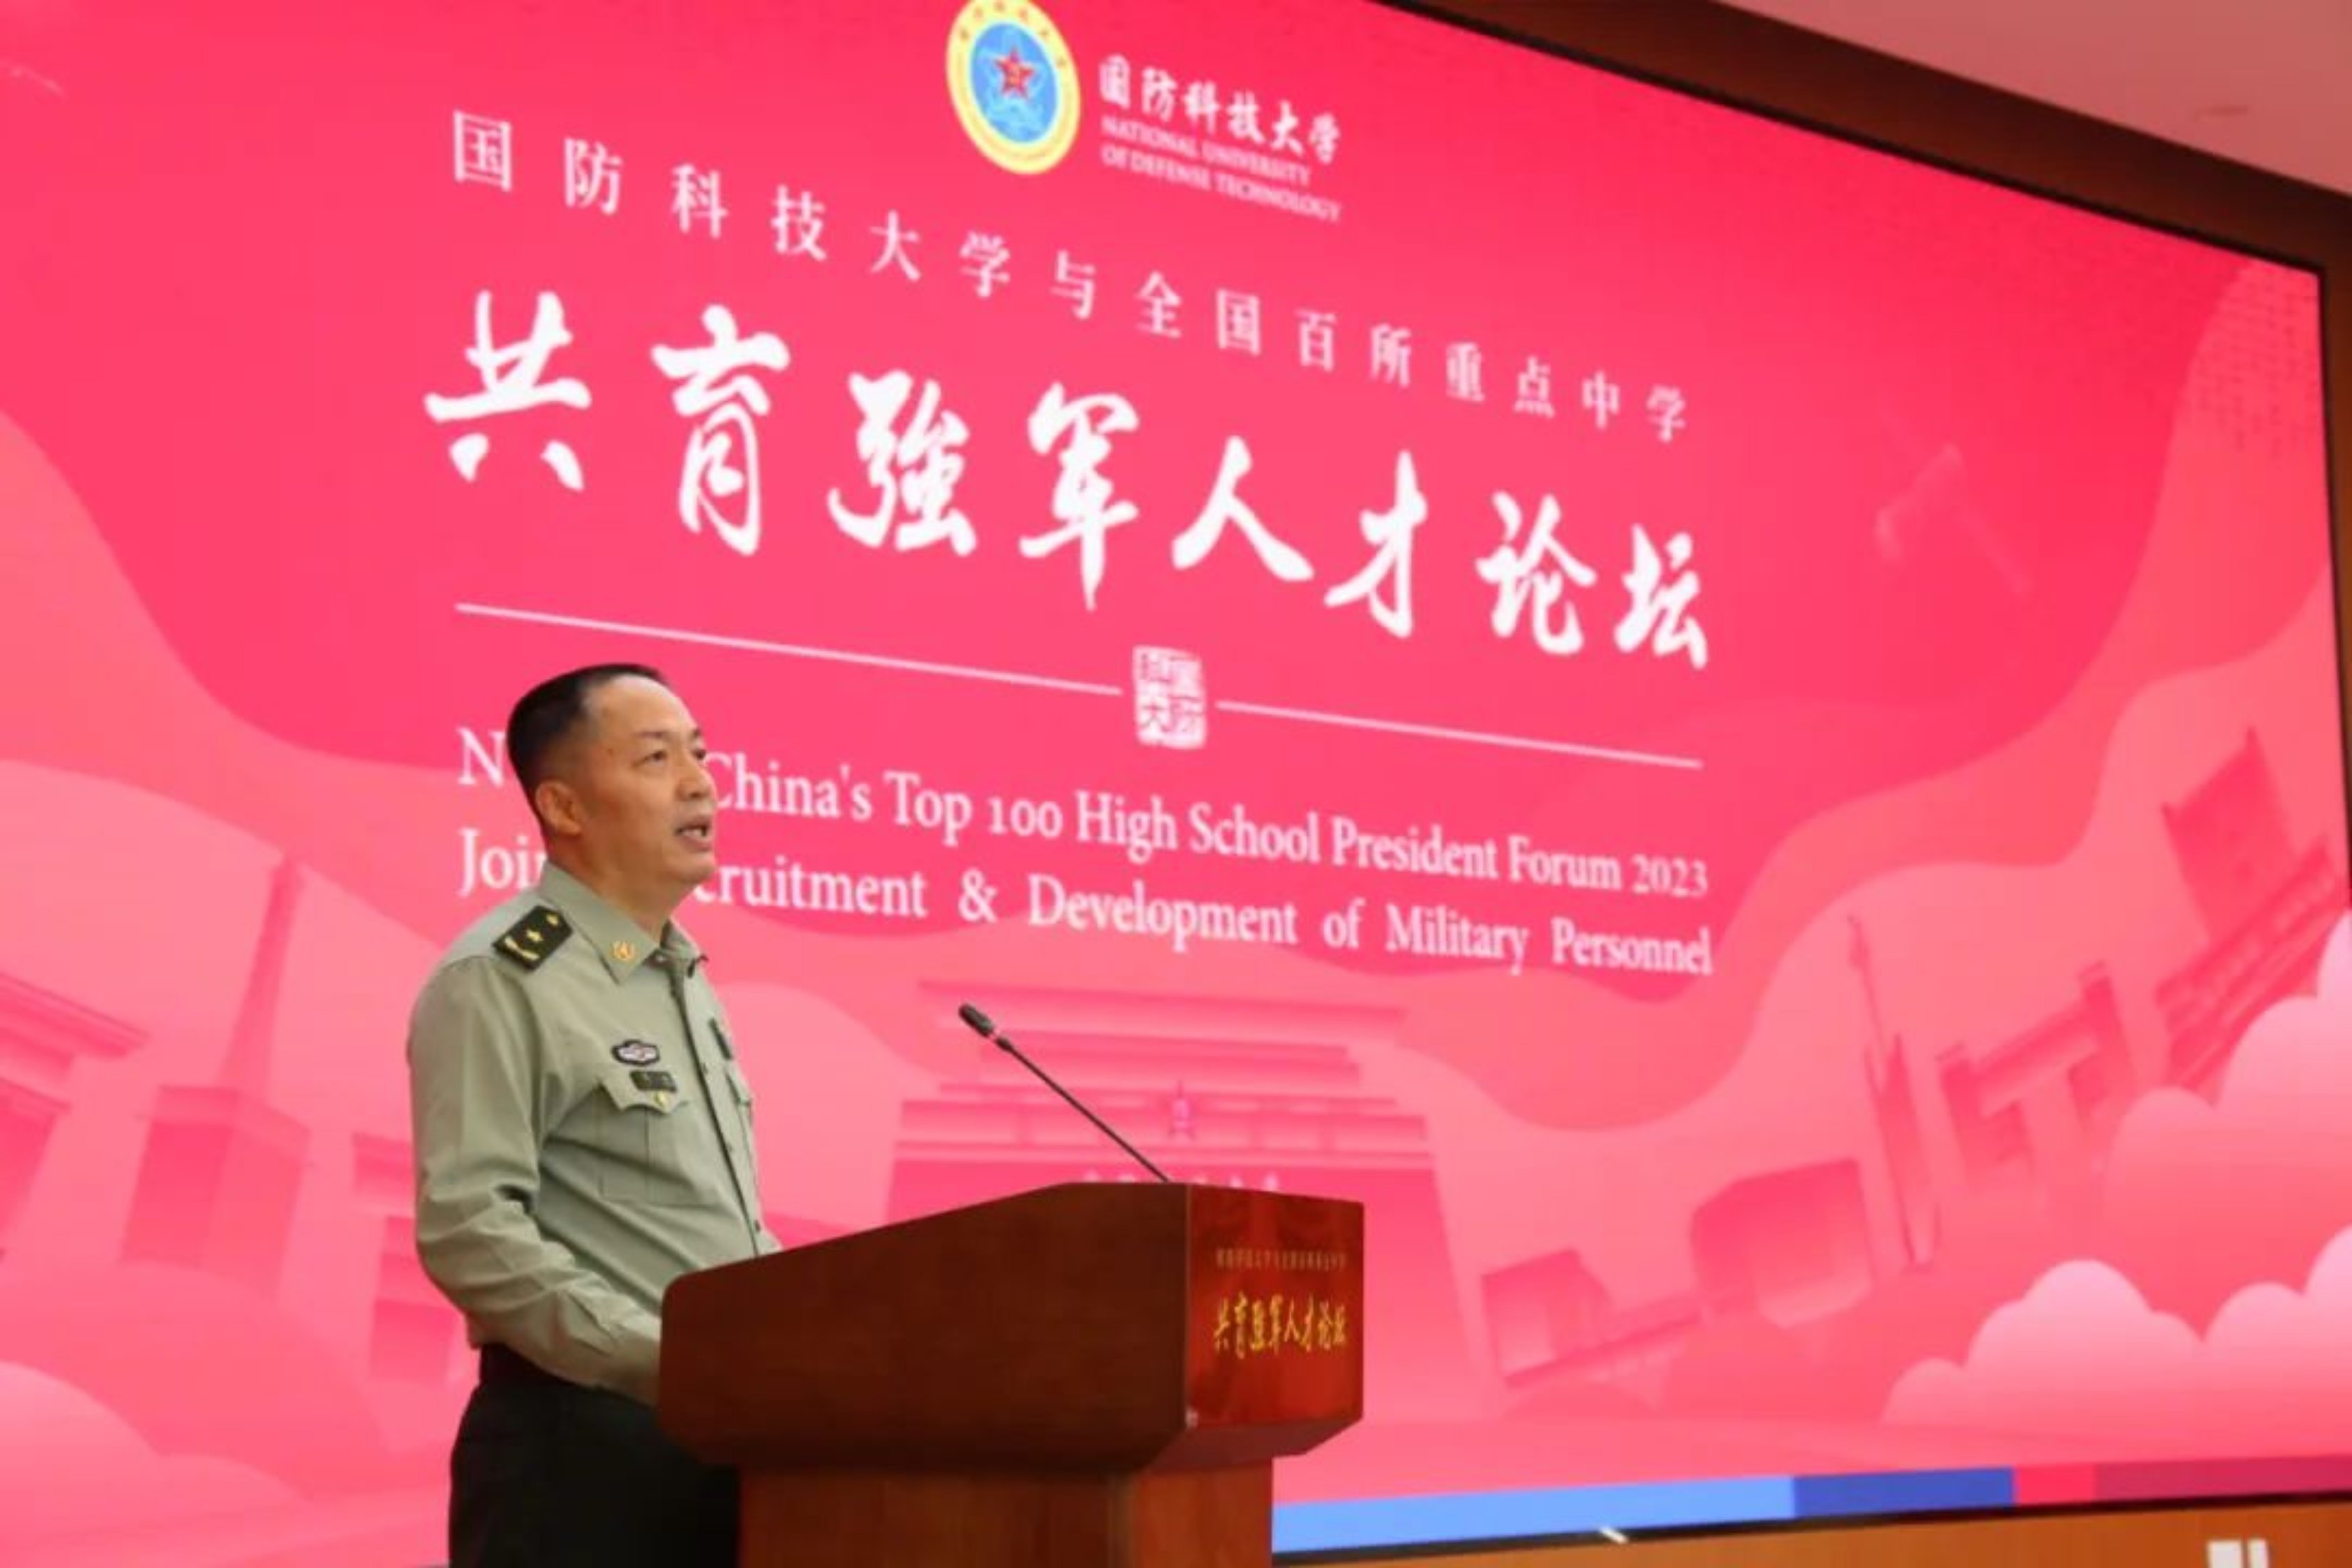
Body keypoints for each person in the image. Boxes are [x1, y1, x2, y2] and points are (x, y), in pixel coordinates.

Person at [407, 662, 777, 1567]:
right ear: (564, 806)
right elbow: (468, 1229)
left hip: (719, 1445)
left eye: (700, 754)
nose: (700, 782)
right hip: (578, 1450)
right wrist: (661, 1360)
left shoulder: (682, 976)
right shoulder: (502, 974)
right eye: (656, 758)